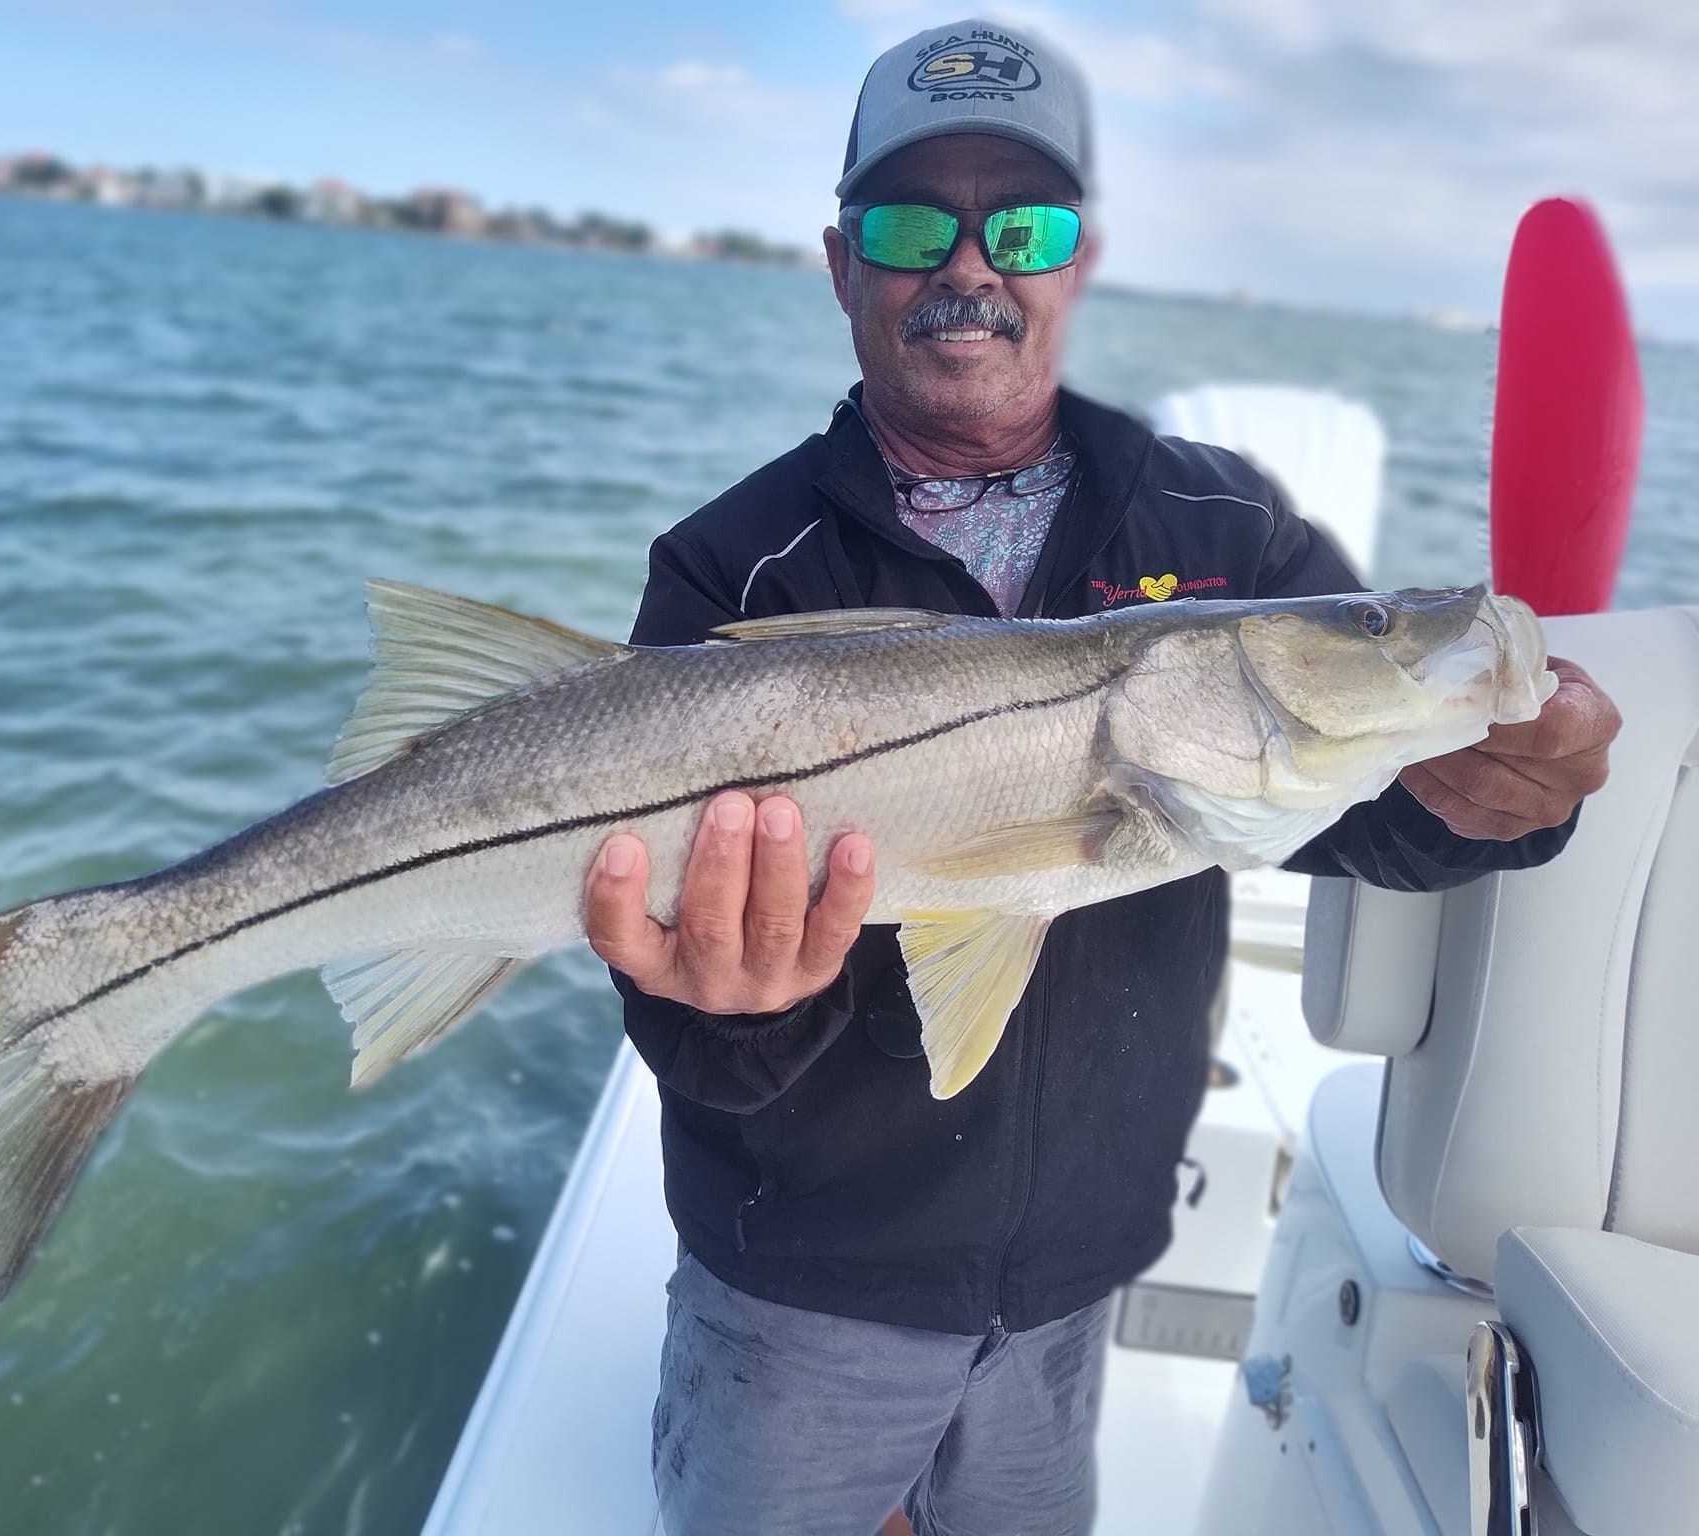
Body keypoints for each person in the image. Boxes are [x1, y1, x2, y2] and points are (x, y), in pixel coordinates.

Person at [582, 20, 1622, 1536]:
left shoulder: (1223, 527)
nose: (970, 264)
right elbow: (683, 1006)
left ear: (1078, 259)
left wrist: (1507, 800)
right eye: (909, 222)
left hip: (1074, 1278)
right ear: (840, 261)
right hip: (800, 1288)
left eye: (1025, 224)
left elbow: (1378, 815)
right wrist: (725, 1002)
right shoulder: (735, 562)